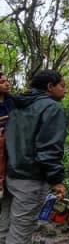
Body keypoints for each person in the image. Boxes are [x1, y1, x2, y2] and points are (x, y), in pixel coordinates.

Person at [0, 69, 68, 244]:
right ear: (50, 86)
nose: (65, 90)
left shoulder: (18, 104)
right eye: (62, 85)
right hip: (30, 179)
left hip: (10, 175)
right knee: (20, 234)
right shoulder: (52, 107)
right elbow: (49, 148)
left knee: (3, 226)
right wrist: (57, 180)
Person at [0, 72, 14, 200]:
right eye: (2, 82)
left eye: (7, 81)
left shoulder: (12, 100)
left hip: (10, 143)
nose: (7, 84)